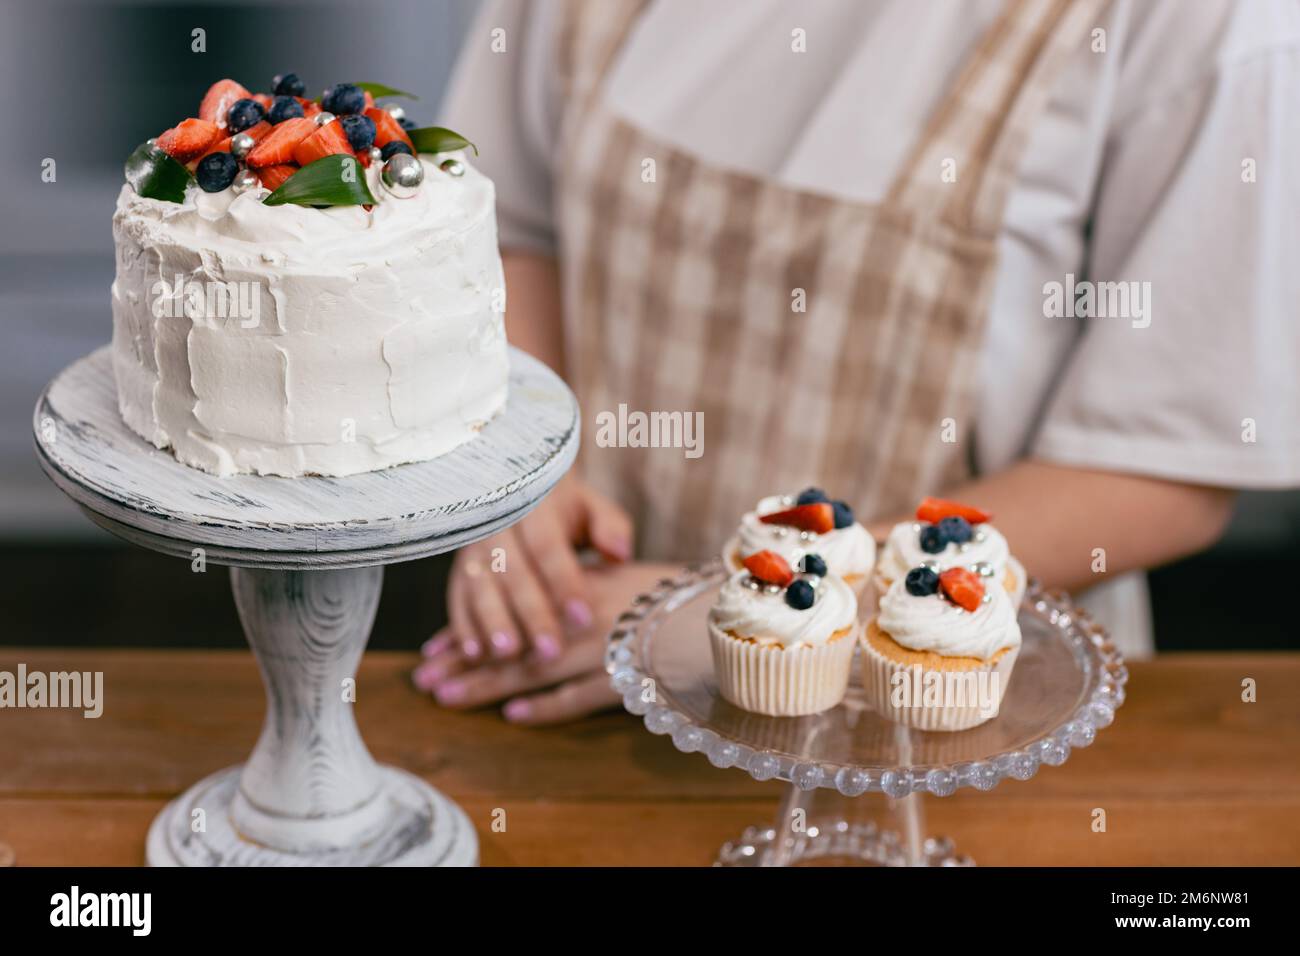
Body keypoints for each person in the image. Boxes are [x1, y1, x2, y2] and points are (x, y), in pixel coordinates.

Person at [413, 0, 1300, 724]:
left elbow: (1161, 470)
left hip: (954, 717)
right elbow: (511, 228)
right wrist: (517, 472)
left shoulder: (1211, 23)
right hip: (580, 663)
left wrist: (735, 621)